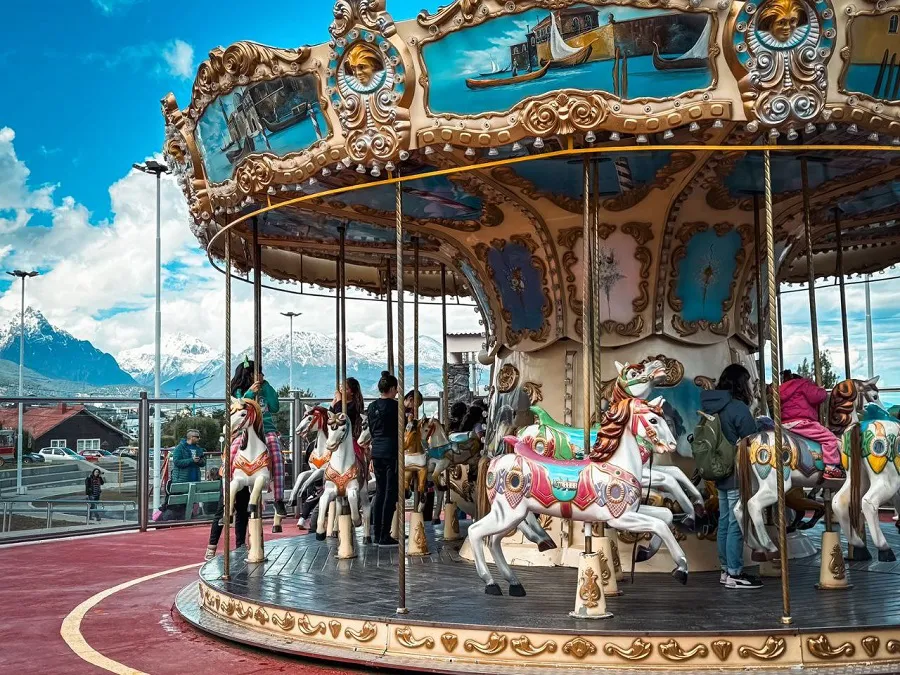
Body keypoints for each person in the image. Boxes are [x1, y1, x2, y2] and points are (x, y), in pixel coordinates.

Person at [700, 364, 762, 590]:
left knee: (725, 521)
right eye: (746, 382)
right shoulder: (737, 408)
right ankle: (735, 572)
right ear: (740, 384)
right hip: (737, 470)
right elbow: (751, 437)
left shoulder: (712, 406)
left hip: (719, 470)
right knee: (737, 521)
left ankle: (726, 570)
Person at [231, 358, 286, 516]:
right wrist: (250, 392)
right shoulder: (239, 391)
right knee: (232, 454)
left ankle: (278, 498)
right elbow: (240, 405)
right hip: (245, 431)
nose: (260, 375)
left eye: (261, 373)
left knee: (276, 455)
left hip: (266, 429)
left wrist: (265, 386)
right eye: (257, 373)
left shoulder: (265, 388)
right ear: (248, 374)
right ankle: (228, 495)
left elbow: (275, 407)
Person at [780, 374, 843, 479]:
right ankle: (831, 468)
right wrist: (821, 390)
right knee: (829, 438)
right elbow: (817, 397)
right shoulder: (804, 384)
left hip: (786, 423)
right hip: (801, 421)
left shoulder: (783, 389)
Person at [368, 371, 400, 547]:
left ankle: (376, 532)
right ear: (393, 388)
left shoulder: (372, 407)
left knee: (380, 492)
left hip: (377, 451)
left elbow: (372, 430)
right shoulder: (396, 407)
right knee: (390, 492)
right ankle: (384, 533)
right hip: (391, 451)